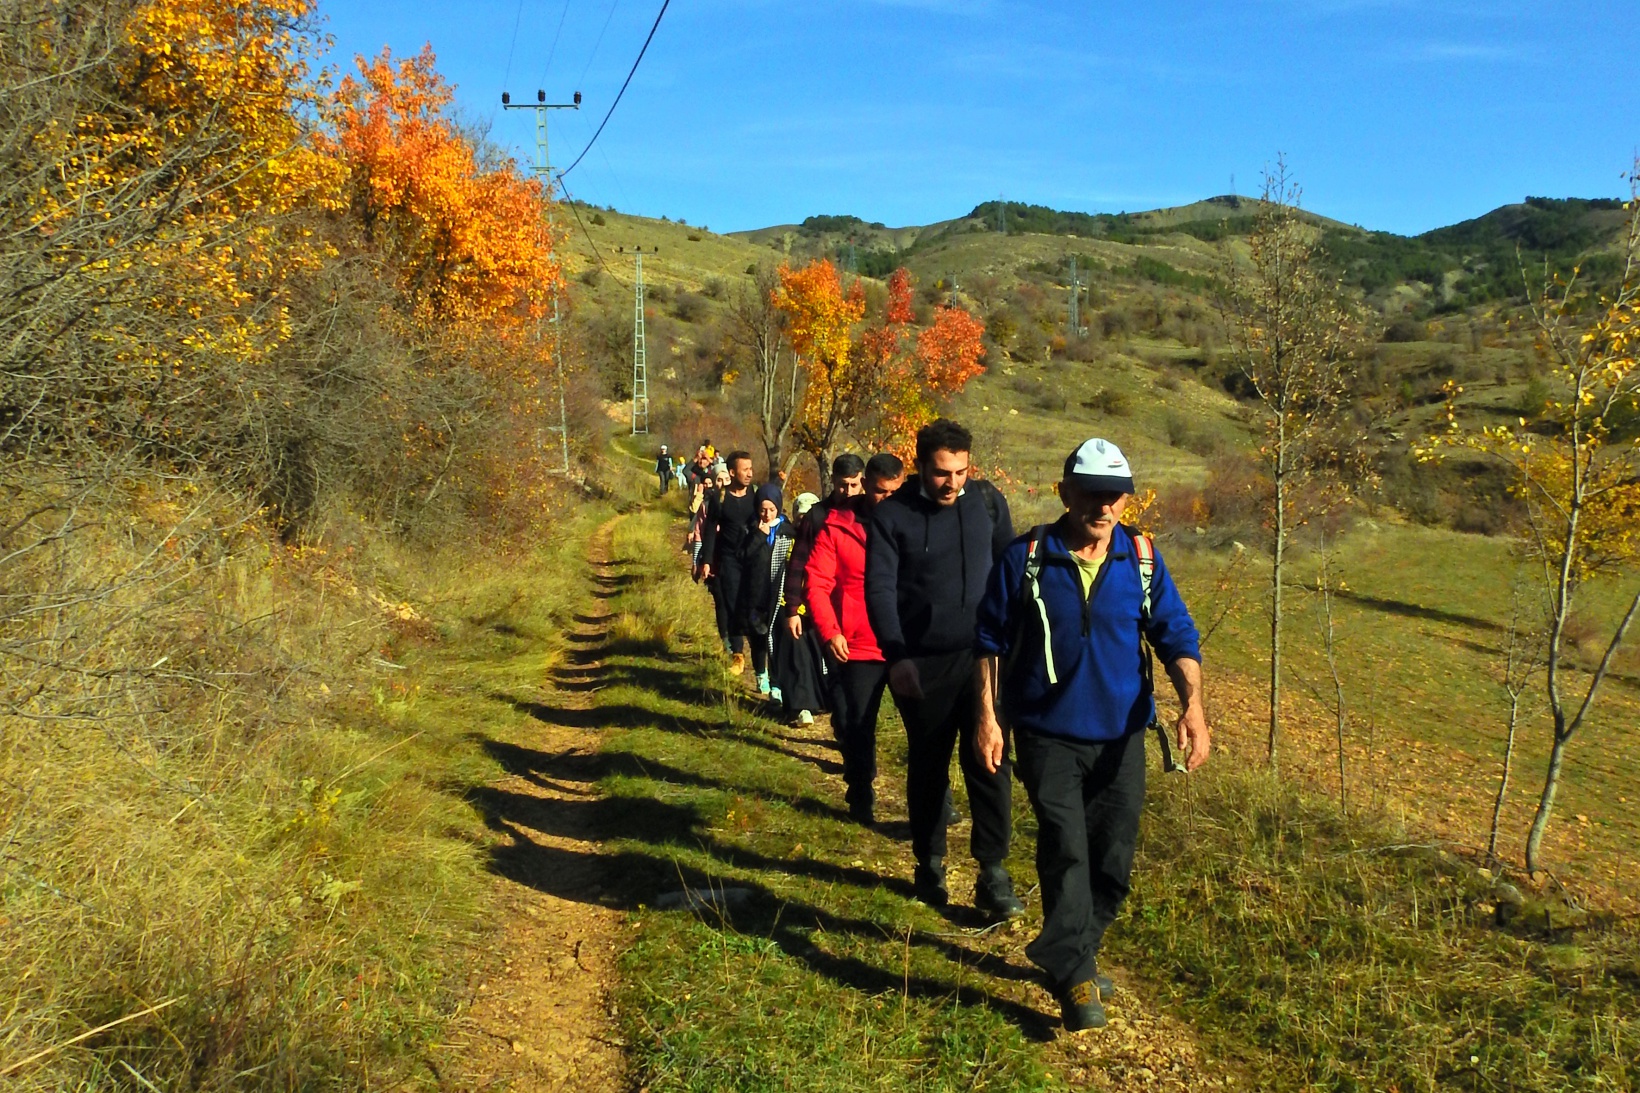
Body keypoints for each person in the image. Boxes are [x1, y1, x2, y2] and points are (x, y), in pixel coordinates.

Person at [973, 437, 1209, 1034]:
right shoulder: (1027, 555)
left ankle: (1075, 946)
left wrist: (1194, 706)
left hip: (1123, 735)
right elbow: (990, 641)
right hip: (1047, 732)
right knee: (1065, 847)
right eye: (1091, 493)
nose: (1102, 507)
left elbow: (1176, 634)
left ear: (1127, 500)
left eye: (1114, 496)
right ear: (1065, 493)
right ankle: (1074, 972)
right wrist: (987, 717)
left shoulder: (1144, 559)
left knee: (1112, 860)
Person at [865, 419, 1023, 918]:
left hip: (984, 658)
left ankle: (993, 873)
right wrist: (897, 657)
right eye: (940, 473)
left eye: (960, 471)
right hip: (922, 662)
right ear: (919, 466)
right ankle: (929, 863)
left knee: (990, 763)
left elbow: (1010, 573)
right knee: (929, 766)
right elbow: (881, 589)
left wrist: (1014, 645)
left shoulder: (988, 503)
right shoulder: (892, 516)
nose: (952, 482)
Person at [806, 452, 905, 824]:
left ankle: (936, 798)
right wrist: (831, 631)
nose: (888, 500)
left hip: (905, 642)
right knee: (856, 723)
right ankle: (860, 790)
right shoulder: (838, 525)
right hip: (856, 643)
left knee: (927, 726)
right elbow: (817, 581)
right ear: (866, 486)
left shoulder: (915, 522)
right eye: (881, 492)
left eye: (895, 492)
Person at [781, 454, 867, 722]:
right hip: (822, 607)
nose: (848, 491)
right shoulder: (818, 516)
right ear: (832, 481)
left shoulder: (871, 514)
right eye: (843, 485)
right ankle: (840, 728)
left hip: (859, 610)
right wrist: (792, 608)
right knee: (832, 669)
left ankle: (849, 731)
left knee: (854, 679)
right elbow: (798, 563)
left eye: (854, 485)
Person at [699, 452, 761, 674]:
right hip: (728, 560)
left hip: (752, 559)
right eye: (745, 469)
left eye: (751, 469)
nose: (750, 473)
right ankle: (737, 655)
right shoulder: (719, 498)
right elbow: (710, 532)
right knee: (733, 605)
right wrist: (706, 561)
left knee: (753, 605)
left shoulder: (755, 495)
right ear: (732, 473)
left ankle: (759, 654)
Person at [742, 485, 796, 696]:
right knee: (758, 635)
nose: (767, 514)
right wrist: (758, 536)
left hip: (778, 591)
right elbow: (742, 556)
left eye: (772, 510)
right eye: (763, 509)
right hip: (755, 591)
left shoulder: (787, 530)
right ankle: (760, 674)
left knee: (777, 636)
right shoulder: (750, 527)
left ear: (779, 508)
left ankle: (776, 682)